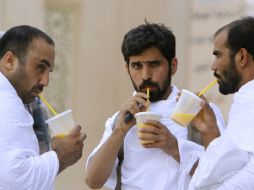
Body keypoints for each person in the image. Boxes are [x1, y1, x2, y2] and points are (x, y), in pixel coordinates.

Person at [85, 21, 225, 190]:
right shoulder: (119, 120)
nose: (146, 75)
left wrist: (172, 145)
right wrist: (120, 130)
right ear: (127, 69)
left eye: (154, 64)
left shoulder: (198, 112)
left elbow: (221, 177)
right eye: (137, 66)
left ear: (173, 66)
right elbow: (93, 181)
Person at [0, 25, 86, 190]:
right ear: (9, 61)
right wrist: (60, 156)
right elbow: (14, 179)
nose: (45, 81)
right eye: (40, 67)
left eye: (49, 71)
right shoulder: (7, 102)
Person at [187, 16, 254, 190]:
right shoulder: (245, 99)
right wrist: (210, 130)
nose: (213, 66)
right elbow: (232, 164)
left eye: (218, 55)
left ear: (242, 57)